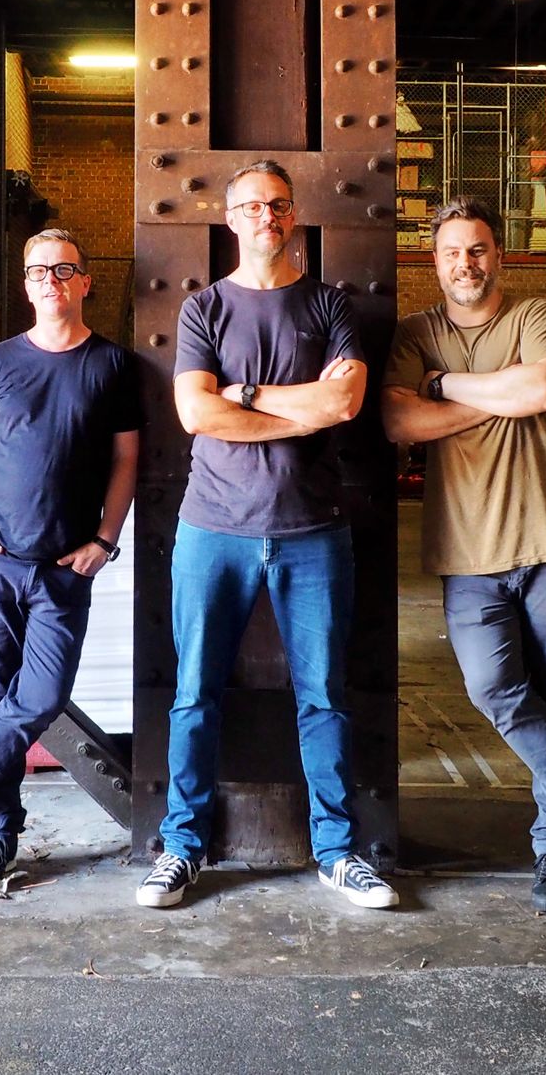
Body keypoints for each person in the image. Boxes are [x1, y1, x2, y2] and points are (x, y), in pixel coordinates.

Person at [135, 160, 398, 911]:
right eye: (250, 206)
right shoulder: (204, 309)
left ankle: (339, 852)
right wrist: (292, 407)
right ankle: (182, 848)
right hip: (212, 528)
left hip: (313, 530)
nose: (264, 217)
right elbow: (196, 414)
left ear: (292, 215)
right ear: (229, 217)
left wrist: (241, 393)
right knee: (193, 694)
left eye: (276, 205)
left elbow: (345, 402)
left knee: (324, 699)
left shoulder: (328, 304)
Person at [382, 197, 546, 913]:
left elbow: (545, 386)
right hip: (468, 553)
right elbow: (399, 419)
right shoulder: (413, 331)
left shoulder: (535, 314)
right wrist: (499, 396)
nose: (466, 262)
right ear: (434, 262)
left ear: (499, 255)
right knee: (495, 689)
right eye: (452, 251)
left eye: (479, 249)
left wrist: (445, 388)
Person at [0, 229, 143, 893]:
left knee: (40, 696)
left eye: (64, 268)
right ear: (26, 283)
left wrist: (104, 539)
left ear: (85, 281)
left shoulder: (112, 366)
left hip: (65, 569)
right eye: (38, 270)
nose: (50, 279)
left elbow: (126, 459)